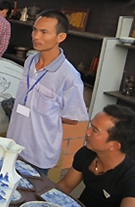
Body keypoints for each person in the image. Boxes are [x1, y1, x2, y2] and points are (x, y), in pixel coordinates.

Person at [7, 9, 89, 174]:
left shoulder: (69, 76)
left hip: (38, 153)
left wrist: (48, 113)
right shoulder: (30, 61)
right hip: (13, 145)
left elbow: (73, 118)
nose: (36, 36)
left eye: (44, 32)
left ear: (61, 37)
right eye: (35, 30)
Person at [58, 105, 135, 207]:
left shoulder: (130, 176)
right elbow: (65, 185)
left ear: (114, 145)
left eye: (94, 130)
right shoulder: (86, 154)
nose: (87, 132)